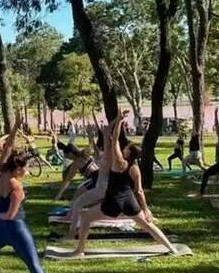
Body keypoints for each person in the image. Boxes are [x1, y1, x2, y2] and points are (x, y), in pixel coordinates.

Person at [0, 115, 68, 273]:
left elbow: (8, 147)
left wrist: (16, 126)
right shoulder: (16, 187)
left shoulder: (1, 171)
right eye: (25, 168)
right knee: (33, 263)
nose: (26, 171)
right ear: (18, 168)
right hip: (15, 228)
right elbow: (10, 215)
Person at [71, 110, 177, 256]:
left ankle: (79, 250)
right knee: (148, 226)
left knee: (87, 217)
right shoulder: (135, 168)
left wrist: (120, 121)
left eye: (126, 148)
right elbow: (139, 191)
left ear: (127, 153)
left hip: (112, 200)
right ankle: (172, 248)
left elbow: (114, 141)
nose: (124, 147)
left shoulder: (118, 162)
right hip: (129, 200)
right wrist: (146, 210)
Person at [63, 122, 114, 237]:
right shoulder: (103, 155)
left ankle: (72, 233)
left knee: (79, 204)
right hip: (101, 186)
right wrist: (91, 134)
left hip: (101, 186)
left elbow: (101, 142)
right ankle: (73, 231)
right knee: (80, 203)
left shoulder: (109, 157)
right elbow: (95, 145)